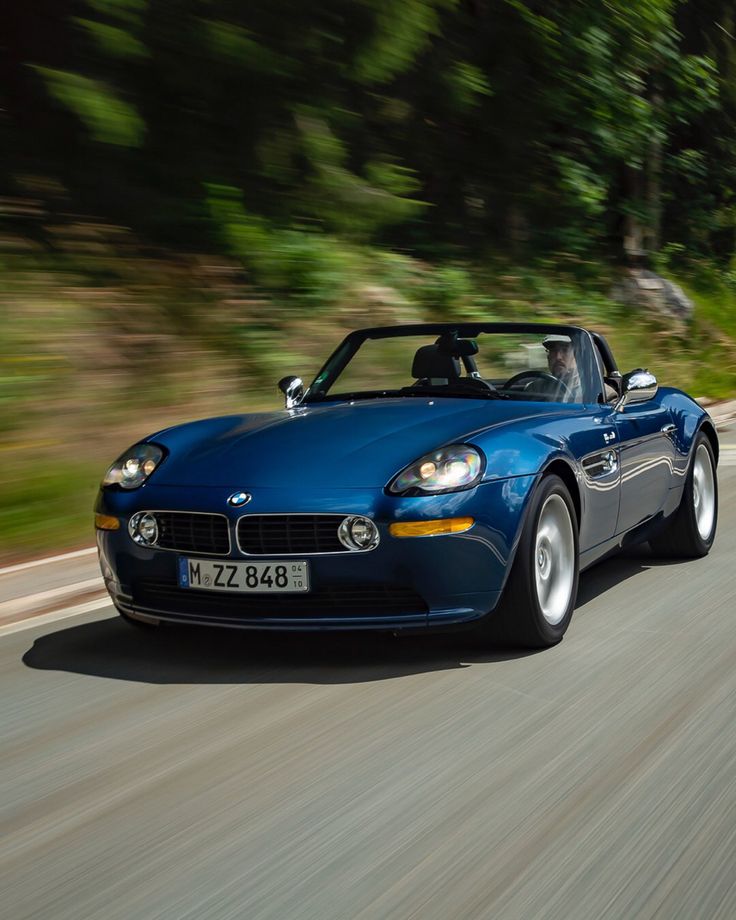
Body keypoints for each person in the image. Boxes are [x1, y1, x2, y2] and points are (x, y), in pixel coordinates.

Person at [542, 334, 583, 402]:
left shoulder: (590, 388)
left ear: (577, 355)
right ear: (548, 357)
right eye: (553, 350)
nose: (558, 357)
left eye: (565, 350)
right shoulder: (535, 388)